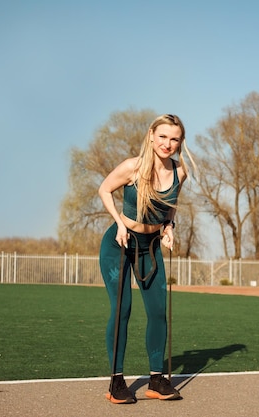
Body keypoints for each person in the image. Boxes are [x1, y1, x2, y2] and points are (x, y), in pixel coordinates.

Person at [98, 114, 194, 404]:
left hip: (150, 247)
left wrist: (169, 228)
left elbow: (171, 206)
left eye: (174, 138)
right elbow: (104, 189)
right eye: (162, 136)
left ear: (180, 142)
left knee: (157, 312)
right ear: (152, 136)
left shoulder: (180, 172)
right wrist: (120, 222)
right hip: (119, 245)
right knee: (122, 310)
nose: (167, 143)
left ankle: (156, 380)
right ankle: (116, 382)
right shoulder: (133, 167)